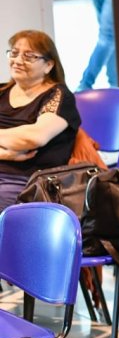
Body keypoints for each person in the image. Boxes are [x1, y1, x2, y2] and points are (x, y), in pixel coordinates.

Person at [0, 30, 80, 210]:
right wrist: (5, 154)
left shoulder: (59, 96)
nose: (18, 60)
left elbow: (34, 138)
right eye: (14, 53)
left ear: (48, 65)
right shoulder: (2, 92)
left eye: (29, 56)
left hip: (30, 183)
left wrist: (18, 140)